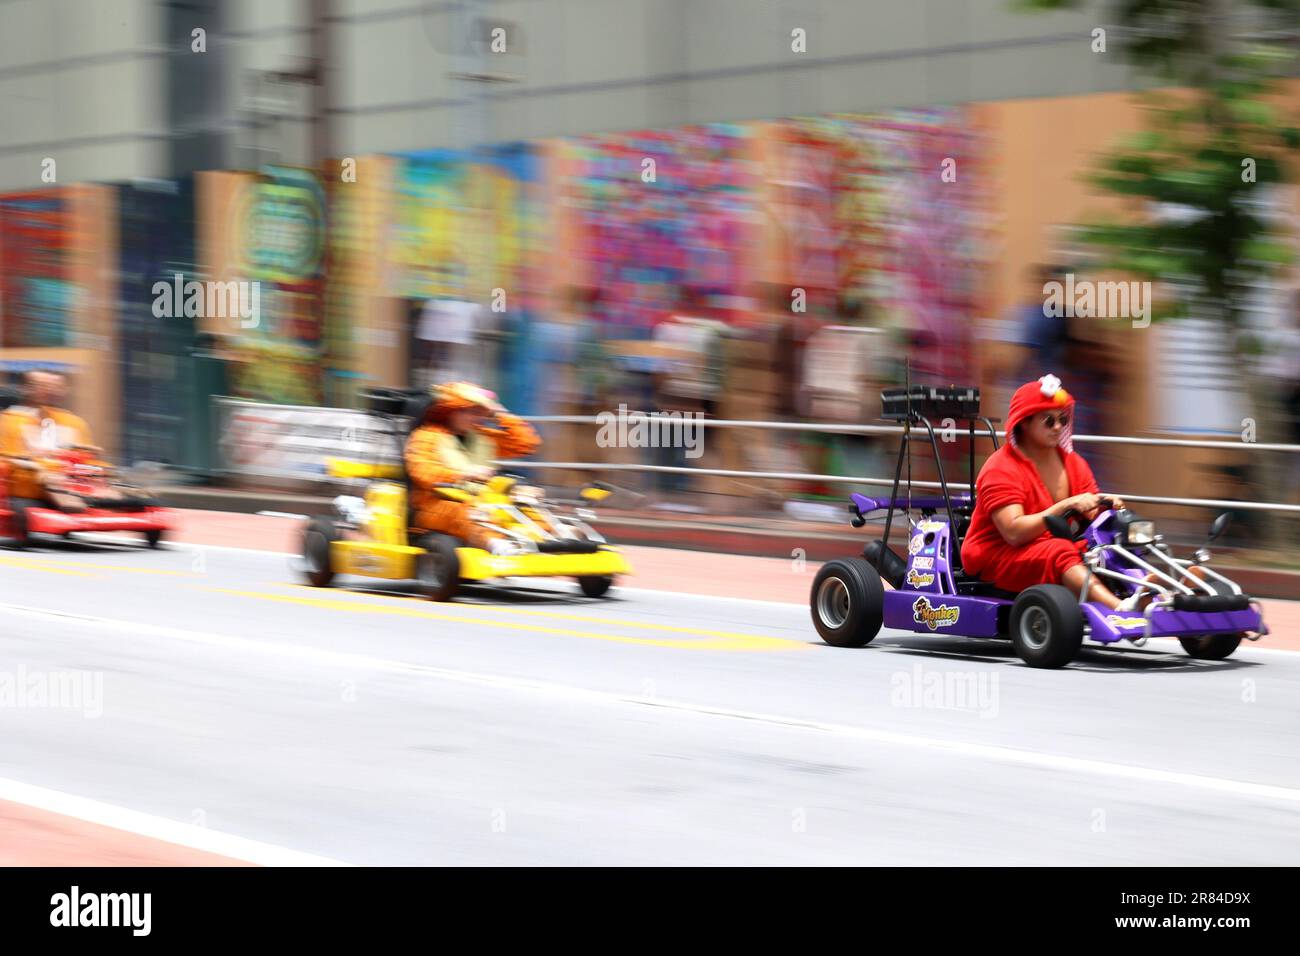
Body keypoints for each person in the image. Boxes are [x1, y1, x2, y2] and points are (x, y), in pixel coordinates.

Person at [960, 374, 1153, 611]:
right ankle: (1119, 608)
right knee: (1060, 550)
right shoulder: (1000, 468)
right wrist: (1064, 505)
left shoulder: (1072, 463)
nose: (1058, 427)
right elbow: (1013, 532)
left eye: (1062, 419)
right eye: (1049, 421)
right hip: (998, 556)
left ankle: (1153, 593)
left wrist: (1106, 507)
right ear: (1024, 423)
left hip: (1050, 546)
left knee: (1115, 540)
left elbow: (1090, 510)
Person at [404, 381, 540, 552]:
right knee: (467, 512)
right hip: (436, 504)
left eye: (479, 412)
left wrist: (499, 413)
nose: (476, 417)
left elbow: (525, 444)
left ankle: (553, 543)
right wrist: (464, 474)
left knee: (527, 505)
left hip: (483, 501)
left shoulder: (482, 437)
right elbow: (422, 472)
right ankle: (498, 545)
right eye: (469, 411)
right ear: (451, 411)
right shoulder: (425, 436)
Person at [0, 369, 105, 512]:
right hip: (27, 496)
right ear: (25, 388)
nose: (49, 390)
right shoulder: (8, 421)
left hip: (72, 493)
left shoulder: (72, 422)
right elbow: (8, 459)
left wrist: (94, 467)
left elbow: (88, 460)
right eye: (41, 385)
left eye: (55, 386)